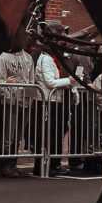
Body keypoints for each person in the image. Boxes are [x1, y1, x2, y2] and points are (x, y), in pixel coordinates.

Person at [35, 31, 76, 176]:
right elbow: (50, 82)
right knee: (48, 134)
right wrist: (68, 81)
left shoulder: (50, 59)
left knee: (55, 133)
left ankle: (53, 163)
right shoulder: (45, 59)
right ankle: (46, 165)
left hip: (54, 100)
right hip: (47, 101)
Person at [0, 47, 36, 178]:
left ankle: (12, 163)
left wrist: (30, 97)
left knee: (18, 135)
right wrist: (8, 95)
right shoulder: (3, 57)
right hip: (10, 102)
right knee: (8, 134)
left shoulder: (28, 57)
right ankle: (3, 165)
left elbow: (31, 79)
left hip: (25, 101)